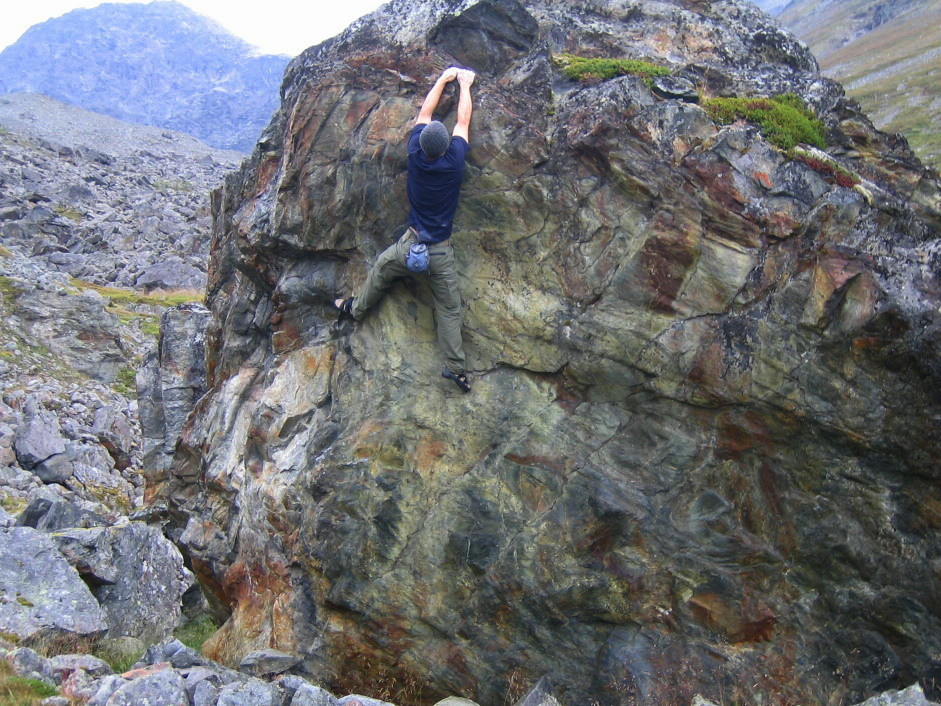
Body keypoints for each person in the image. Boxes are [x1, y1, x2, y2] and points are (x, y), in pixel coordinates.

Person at [334, 66, 476, 393]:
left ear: (422, 145)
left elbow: (425, 113)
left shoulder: (415, 153)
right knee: (449, 308)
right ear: (444, 147)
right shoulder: (454, 161)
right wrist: (465, 85)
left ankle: (353, 309)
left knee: (382, 268)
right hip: (440, 251)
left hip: (409, 244)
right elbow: (463, 121)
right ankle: (456, 369)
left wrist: (443, 79)